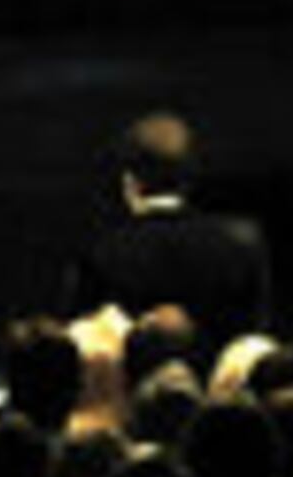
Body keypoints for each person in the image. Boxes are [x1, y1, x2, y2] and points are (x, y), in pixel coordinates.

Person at [71, 109, 271, 351]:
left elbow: (82, 346)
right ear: (189, 179)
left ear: (130, 182)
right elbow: (252, 348)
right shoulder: (242, 244)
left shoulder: (100, 251)